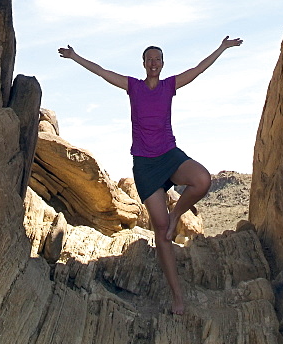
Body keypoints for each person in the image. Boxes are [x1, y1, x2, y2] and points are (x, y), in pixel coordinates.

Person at [58, 35, 243, 315]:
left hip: (170, 155)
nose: (154, 63)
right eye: (150, 59)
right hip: (144, 164)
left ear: (163, 64)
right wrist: (75, 56)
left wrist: (222, 47)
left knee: (202, 180)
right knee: (162, 233)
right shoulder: (133, 86)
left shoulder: (170, 86)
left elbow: (198, 69)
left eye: (158, 59)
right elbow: (103, 73)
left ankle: (176, 214)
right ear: (144, 64)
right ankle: (177, 297)